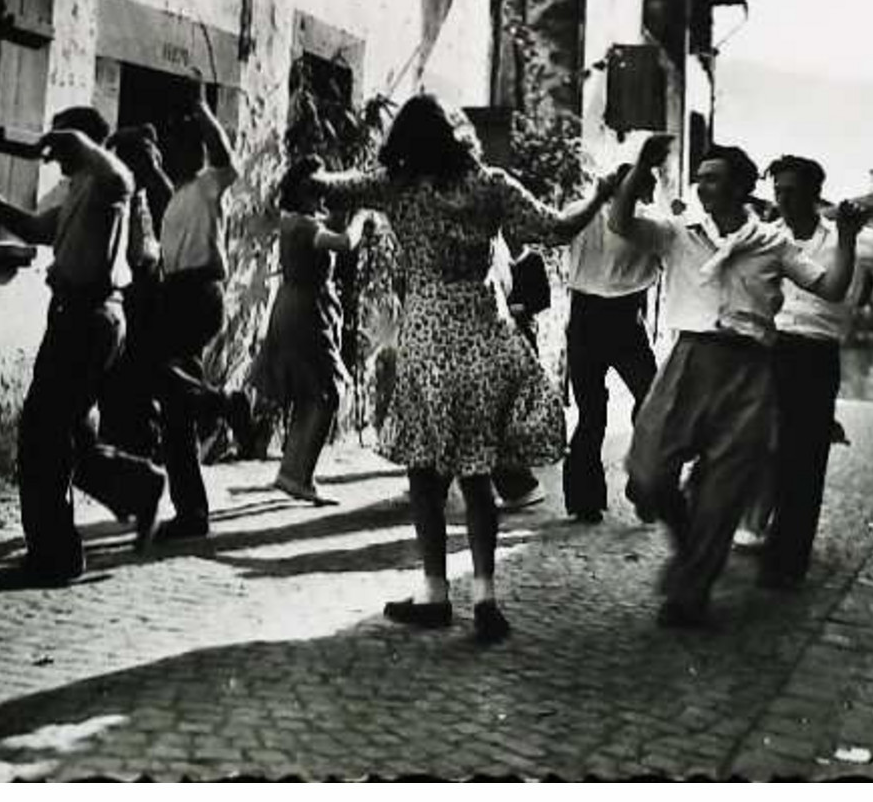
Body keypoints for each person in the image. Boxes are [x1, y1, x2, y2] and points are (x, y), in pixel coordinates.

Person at [299, 94, 621, 644]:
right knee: (478, 475)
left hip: (427, 337)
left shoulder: (395, 186)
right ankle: (486, 596)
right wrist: (601, 194)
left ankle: (434, 594)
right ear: (455, 135)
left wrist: (313, 171)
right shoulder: (491, 185)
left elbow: (325, 188)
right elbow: (559, 228)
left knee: (425, 475)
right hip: (485, 333)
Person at [612, 134, 863, 629]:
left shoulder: (774, 244)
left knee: (723, 491)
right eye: (700, 178)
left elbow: (831, 288)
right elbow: (621, 223)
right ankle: (692, 550)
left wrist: (848, 239)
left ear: (742, 188)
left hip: (750, 368)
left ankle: (690, 595)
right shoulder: (680, 232)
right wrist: (640, 168)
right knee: (648, 473)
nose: (703, 186)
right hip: (688, 360)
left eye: (714, 179)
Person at [0, 107, 167, 584]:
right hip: (80, 317)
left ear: (88, 148)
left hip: (88, 319)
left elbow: (122, 175)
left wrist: (78, 142)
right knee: (69, 436)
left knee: (41, 437)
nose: (58, 158)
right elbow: (33, 229)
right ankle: (136, 487)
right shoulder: (80, 193)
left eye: (66, 149)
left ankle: (56, 556)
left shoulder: (109, 185)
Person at [750, 160, 873, 588]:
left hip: (814, 354)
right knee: (753, 447)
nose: (782, 199)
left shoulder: (850, 238)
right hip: (767, 349)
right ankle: (751, 530)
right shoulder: (771, 238)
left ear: (812, 194)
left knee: (804, 460)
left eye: (790, 191)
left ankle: (787, 562)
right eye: (778, 191)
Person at [152, 87, 253, 541]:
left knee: (166, 385)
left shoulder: (207, 185)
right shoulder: (175, 197)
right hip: (176, 294)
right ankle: (191, 512)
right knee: (174, 408)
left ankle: (223, 402)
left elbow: (227, 158)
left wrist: (204, 113)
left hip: (197, 293)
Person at [251, 156, 371, 506]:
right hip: (306, 312)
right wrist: (361, 218)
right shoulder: (303, 225)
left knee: (311, 393)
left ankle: (292, 472)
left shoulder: (296, 221)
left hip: (295, 307)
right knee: (330, 391)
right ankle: (300, 476)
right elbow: (344, 244)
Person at [562, 163, 664, 524]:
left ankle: (600, 494)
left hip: (597, 317)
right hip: (615, 318)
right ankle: (634, 485)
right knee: (645, 405)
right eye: (648, 185)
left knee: (603, 411)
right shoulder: (647, 222)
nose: (652, 192)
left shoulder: (579, 210)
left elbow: (556, 232)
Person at [98, 124, 174, 460]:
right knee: (127, 370)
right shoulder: (115, 193)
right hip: (127, 289)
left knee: (145, 368)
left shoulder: (146, 193)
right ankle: (128, 442)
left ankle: (142, 442)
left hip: (148, 285)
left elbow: (169, 200)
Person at [488, 237, 552, 511]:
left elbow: (542, 297)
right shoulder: (496, 256)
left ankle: (517, 482)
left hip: (519, 334)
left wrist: (522, 308)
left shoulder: (531, 260)